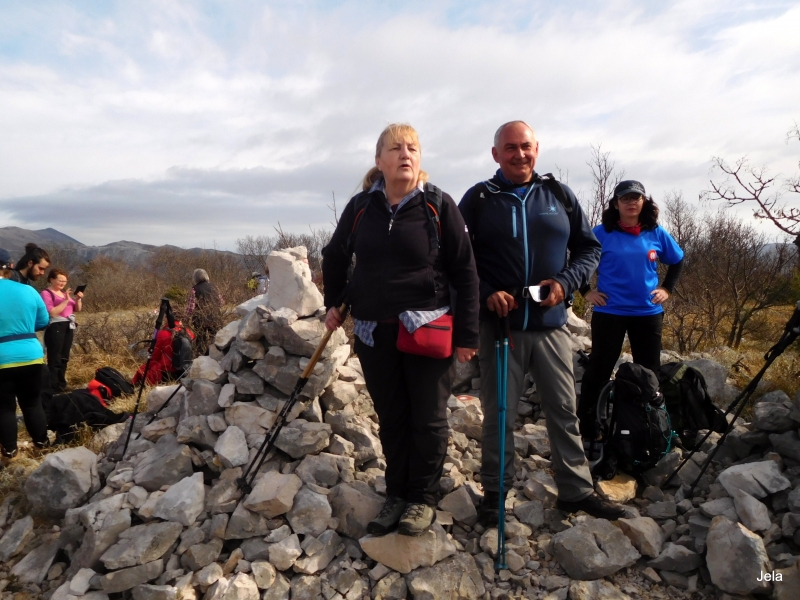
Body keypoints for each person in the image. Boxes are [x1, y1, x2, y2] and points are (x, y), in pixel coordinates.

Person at [459, 120, 627, 523]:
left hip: (551, 324)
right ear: (496, 154)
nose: (519, 154)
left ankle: (576, 491)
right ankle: (495, 493)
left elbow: (589, 249)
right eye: (510, 148)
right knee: (500, 414)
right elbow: (458, 259)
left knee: (564, 410)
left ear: (536, 150)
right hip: (501, 325)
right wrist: (485, 292)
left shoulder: (559, 195)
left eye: (526, 146)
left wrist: (565, 283)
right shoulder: (479, 198)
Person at [322, 123, 479, 536]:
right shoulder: (361, 207)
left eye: (412, 147)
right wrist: (334, 302)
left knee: (427, 419)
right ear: (379, 161)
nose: (405, 154)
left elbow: (465, 271)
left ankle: (421, 498)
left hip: (427, 329)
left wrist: (468, 334)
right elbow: (335, 255)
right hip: (374, 333)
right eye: (395, 148)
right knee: (392, 418)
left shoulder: (438, 205)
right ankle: (397, 494)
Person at [578, 180, 684, 440]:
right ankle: (589, 427)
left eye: (636, 198)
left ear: (644, 202)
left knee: (649, 371)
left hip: (647, 313)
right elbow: (578, 260)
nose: (631, 202)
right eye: (625, 198)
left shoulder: (655, 232)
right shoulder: (602, 233)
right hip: (610, 312)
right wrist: (586, 291)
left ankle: (648, 426)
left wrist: (667, 289)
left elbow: (677, 259)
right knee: (600, 368)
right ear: (616, 204)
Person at [0, 265, 51, 463]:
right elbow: (43, 321)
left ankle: (10, 453)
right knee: (32, 403)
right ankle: (42, 445)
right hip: (31, 354)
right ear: (8, 269)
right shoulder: (28, 290)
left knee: (4, 408)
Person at [41, 269, 84, 392]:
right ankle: (52, 385)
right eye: (60, 280)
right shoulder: (46, 293)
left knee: (64, 357)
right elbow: (52, 312)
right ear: (51, 279)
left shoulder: (64, 293)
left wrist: (78, 299)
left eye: (65, 281)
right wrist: (65, 300)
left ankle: (61, 383)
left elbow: (77, 309)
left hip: (68, 326)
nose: (63, 283)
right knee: (55, 357)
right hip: (55, 326)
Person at [186, 269, 224, 356]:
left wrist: (186, 319)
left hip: (200, 320)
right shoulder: (214, 287)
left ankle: (200, 357)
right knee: (215, 340)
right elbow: (221, 303)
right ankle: (216, 357)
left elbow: (191, 307)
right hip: (215, 318)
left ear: (195, 278)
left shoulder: (195, 289)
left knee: (200, 341)